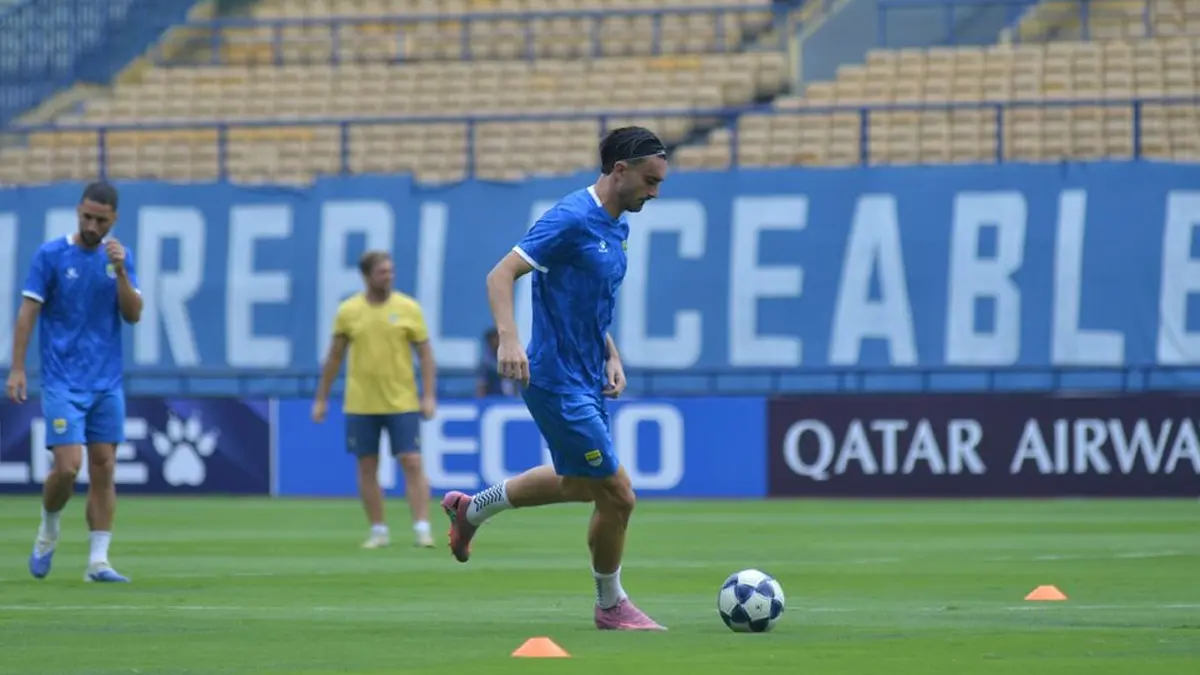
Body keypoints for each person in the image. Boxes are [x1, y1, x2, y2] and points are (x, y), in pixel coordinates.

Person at [440, 126, 669, 631]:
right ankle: (611, 605)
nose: (655, 193)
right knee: (618, 494)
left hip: (587, 376)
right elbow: (499, 275)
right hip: (556, 380)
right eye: (650, 181)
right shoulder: (570, 218)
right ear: (620, 171)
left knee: (582, 485)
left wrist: (610, 352)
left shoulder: (616, 226)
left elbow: (589, 302)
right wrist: (508, 338)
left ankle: (471, 511)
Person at [7, 181, 142, 583]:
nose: (91, 225)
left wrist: (120, 272)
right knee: (68, 468)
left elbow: (133, 314)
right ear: (78, 211)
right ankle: (48, 529)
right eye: (86, 216)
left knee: (104, 467)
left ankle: (98, 561)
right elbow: (27, 313)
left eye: (100, 220)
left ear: (113, 219)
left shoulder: (119, 258)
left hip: (106, 382)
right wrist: (16, 368)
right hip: (63, 381)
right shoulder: (51, 255)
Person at [313, 250, 439, 549]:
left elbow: (426, 355)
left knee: (412, 460)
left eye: (391, 271)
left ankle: (422, 527)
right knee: (367, 466)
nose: (389, 276)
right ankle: (378, 530)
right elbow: (334, 358)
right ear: (367, 275)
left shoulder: (408, 308)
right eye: (383, 272)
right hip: (361, 403)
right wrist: (321, 399)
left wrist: (429, 395)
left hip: (402, 401)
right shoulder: (349, 311)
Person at [476, 328, 516, 398]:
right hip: (493, 399)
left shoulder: (512, 359)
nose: (495, 342)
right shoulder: (487, 363)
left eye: (497, 339)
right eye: (492, 341)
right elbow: (482, 384)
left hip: (512, 400)